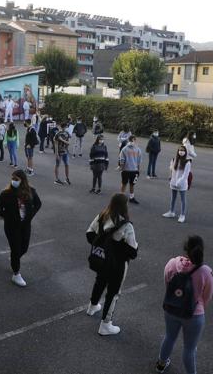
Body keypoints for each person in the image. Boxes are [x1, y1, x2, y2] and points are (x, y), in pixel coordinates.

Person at [155, 235, 213, 374]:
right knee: (189, 348)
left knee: (169, 337)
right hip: (194, 314)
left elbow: (167, 282)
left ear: (186, 249)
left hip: (171, 308)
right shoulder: (205, 271)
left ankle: (161, 364)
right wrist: (200, 307)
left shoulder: (172, 263)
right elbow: (207, 296)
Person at [85, 193, 139, 335]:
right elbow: (133, 252)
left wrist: (102, 245)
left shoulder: (102, 216)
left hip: (101, 259)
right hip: (118, 265)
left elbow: (89, 233)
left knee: (100, 281)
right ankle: (105, 324)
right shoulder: (126, 225)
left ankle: (92, 306)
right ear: (124, 206)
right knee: (113, 293)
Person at [0, 170, 41, 287]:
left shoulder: (31, 191)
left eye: (16, 179)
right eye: (12, 179)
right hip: (11, 226)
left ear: (23, 180)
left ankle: (15, 259)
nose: (13, 181)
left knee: (24, 248)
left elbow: (38, 204)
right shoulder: (6, 193)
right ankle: (16, 274)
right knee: (15, 248)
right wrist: (8, 217)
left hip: (25, 225)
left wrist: (30, 216)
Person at [162, 146, 192, 223]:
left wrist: (179, 182)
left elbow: (186, 174)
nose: (181, 152)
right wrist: (170, 178)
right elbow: (171, 169)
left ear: (185, 152)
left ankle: (182, 215)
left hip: (182, 184)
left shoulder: (187, 162)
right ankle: (171, 212)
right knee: (173, 198)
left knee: (183, 199)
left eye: (183, 151)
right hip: (173, 182)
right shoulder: (174, 159)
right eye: (180, 150)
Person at [119, 136, 142, 204]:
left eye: (134, 140)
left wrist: (138, 170)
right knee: (124, 184)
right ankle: (121, 198)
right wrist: (122, 168)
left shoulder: (138, 149)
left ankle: (131, 197)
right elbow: (122, 159)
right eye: (132, 140)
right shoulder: (124, 149)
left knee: (132, 184)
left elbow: (139, 161)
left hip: (134, 171)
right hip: (126, 170)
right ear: (129, 141)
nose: (133, 142)